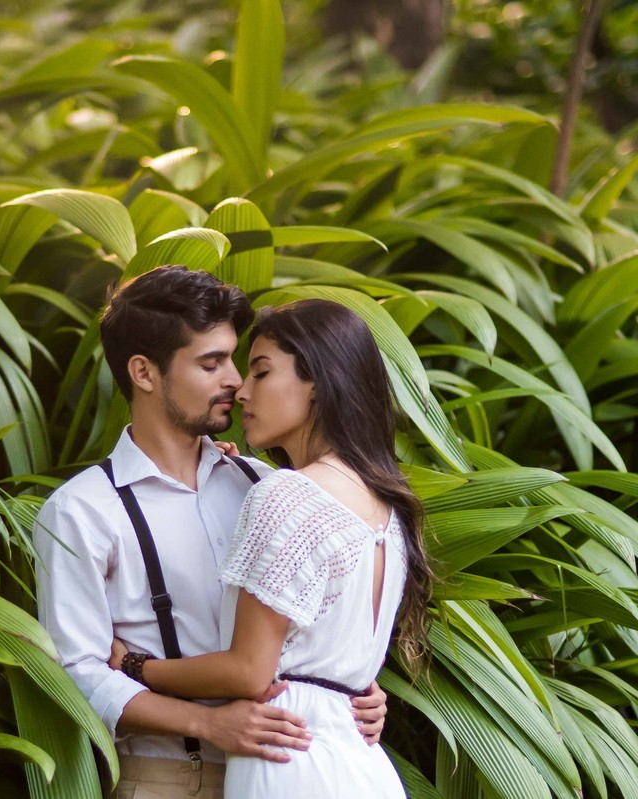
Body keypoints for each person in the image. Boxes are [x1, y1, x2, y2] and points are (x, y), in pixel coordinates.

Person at [33, 267, 388, 799]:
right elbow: (76, 675)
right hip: (170, 781)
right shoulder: (82, 511)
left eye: (236, 360)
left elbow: (313, 620)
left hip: (290, 773)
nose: (235, 382)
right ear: (144, 373)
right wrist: (206, 725)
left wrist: (346, 687)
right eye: (210, 363)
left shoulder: (267, 486)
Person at [108, 298, 433, 798]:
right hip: (362, 766)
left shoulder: (288, 494)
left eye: (261, 372)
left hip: (289, 760)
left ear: (319, 383)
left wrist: (136, 666)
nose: (241, 389)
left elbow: (248, 671)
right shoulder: (385, 505)